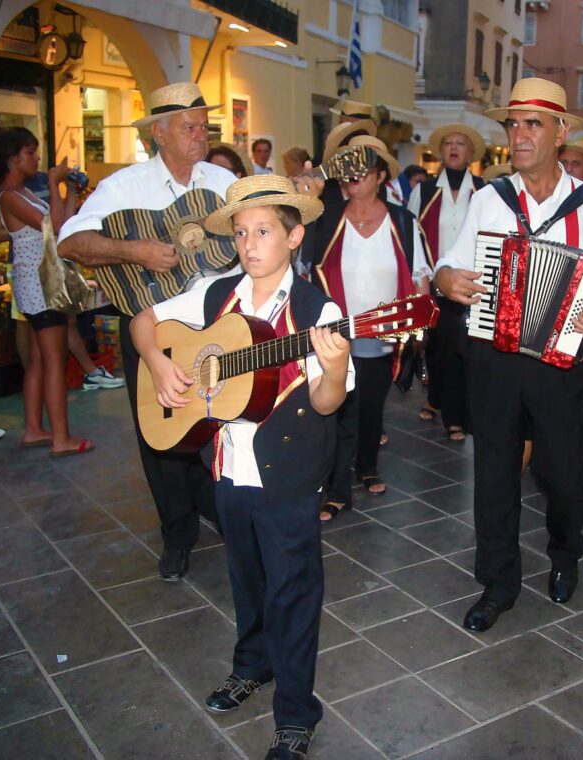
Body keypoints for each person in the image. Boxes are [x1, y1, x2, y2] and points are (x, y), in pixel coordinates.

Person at [132, 174, 351, 760]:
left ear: (294, 236)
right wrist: (157, 363)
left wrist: (331, 367)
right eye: (241, 232)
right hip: (227, 467)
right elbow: (142, 322)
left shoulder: (317, 309)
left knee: (293, 591)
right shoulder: (213, 294)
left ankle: (297, 713)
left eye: (264, 231)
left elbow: (329, 403)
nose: (250, 244)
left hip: (288, 474)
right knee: (246, 578)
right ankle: (251, 665)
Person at [433, 78, 583, 632]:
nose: (518, 135)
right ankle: (498, 582)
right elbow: (447, 265)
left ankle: (565, 555)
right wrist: (446, 279)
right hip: (495, 356)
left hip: (564, 360)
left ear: (561, 133)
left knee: (567, 475)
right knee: (493, 473)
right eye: (513, 124)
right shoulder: (488, 199)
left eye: (532, 124)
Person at [58, 82, 238, 582]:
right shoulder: (125, 187)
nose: (200, 134)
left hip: (217, 324)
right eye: (189, 126)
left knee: (221, 420)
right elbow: (71, 243)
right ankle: (177, 535)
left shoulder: (222, 180)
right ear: (159, 133)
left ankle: (221, 509)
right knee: (160, 439)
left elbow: (255, 227)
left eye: (204, 125)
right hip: (152, 327)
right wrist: (134, 251)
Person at [301, 136, 431, 521]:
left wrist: (421, 326)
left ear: (379, 176)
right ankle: (337, 487)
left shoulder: (402, 221)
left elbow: (419, 272)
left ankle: (368, 464)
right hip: (335, 332)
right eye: (348, 170)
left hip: (383, 333)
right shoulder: (324, 218)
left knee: (372, 406)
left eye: (364, 169)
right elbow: (304, 268)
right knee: (340, 410)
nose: (354, 176)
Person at [0, 127, 93, 457]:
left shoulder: (23, 193)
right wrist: (54, 183)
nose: (36, 157)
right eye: (30, 152)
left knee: (38, 359)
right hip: (39, 286)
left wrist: (68, 191)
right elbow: (53, 229)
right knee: (53, 360)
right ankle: (61, 437)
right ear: (11, 158)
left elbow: (63, 223)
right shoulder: (10, 196)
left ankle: (35, 429)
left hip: (37, 284)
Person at [408, 123, 486, 442]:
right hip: (432, 280)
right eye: (449, 144)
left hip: (469, 281)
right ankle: (434, 398)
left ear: (470, 153)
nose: (454, 148)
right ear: (441, 151)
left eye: (461, 144)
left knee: (459, 347)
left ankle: (455, 416)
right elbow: (411, 233)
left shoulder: (483, 190)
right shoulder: (424, 191)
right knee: (436, 346)